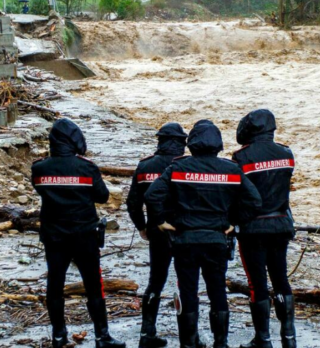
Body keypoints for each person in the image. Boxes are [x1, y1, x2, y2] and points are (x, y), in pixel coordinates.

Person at [145, 120, 262, 348]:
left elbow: (151, 196)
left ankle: (189, 344)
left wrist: (160, 221)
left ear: (192, 143)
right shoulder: (230, 169)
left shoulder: (178, 168)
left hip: (185, 240)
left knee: (188, 291)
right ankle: (221, 343)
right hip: (216, 240)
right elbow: (254, 201)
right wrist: (235, 222)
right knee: (217, 290)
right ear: (218, 144)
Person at [31, 118, 126, 348]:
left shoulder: (39, 168)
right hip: (84, 236)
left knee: (55, 285)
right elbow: (102, 196)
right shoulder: (87, 167)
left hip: (54, 237)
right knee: (94, 285)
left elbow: (39, 189)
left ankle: (59, 336)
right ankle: (102, 336)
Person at [232, 110, 297, 348]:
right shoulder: (287, 154)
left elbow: (239, 196)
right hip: (281, 223)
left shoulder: (241, 158)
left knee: (257, 283)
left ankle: (263, 338)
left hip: (253, 229)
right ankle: (289, 338)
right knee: (281, 279)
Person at [126, 123, 188, 348]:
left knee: (155, 282)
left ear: (159, 141)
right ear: (182, 142)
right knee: (186, 283)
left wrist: (141, 226)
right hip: (184, 230)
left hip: (156, 231)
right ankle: (189, 337)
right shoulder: (188, 166)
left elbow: (133, 203)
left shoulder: (145, 166)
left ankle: (147, 333)